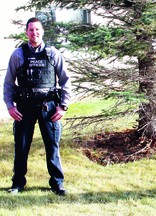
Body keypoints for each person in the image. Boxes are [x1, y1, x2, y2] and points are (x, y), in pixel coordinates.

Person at [3, 17, 72, 196]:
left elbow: (65, 81)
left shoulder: (53, 53)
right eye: (31, 30)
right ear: (26, 32)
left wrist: (63, 106)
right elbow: (8, 83)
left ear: (42, 31)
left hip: (48, 107)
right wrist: (10, 106)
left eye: (37, 29)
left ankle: (57, 183)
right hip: (24, 107)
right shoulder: (18, 54)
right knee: (22, 145)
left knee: (52, 145)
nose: (35, 33)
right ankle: (18, 183)